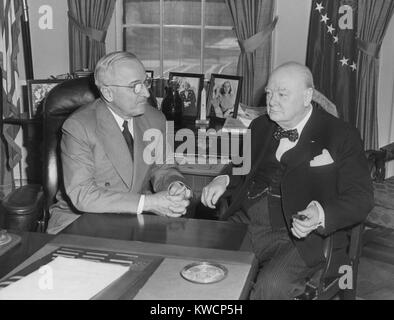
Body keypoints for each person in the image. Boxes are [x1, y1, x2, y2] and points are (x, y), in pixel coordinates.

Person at [201, 62, 373, 299]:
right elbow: (239, 166)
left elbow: (361, 198)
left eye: (282, 94)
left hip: (299, 234)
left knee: (270, 287)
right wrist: (223, 179)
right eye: (269, 93)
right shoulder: (260, 125)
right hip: (246, 222)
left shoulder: (342, 135)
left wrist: (320, 214)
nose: (271, 101)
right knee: (208, 269)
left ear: (307, 96)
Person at [47, 51, 192, 234]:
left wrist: (173, 185)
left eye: (145, 83)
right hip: (80, 221)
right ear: (108, 92)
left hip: (135, 220)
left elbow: (163, 168)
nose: (146, 93)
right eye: (135, 87)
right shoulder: (79, 126)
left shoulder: (155, 119)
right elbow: (83, 195)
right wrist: (148, 203)